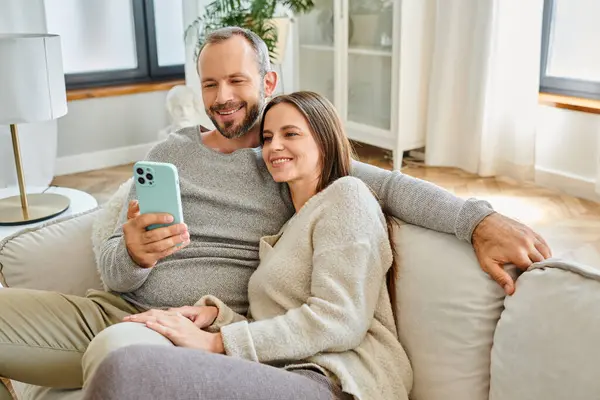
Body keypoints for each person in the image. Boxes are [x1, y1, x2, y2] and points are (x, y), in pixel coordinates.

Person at [0, 26, 550, 397]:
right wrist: (134, 255)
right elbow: (115, 266)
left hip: (183, 335)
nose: (223, 97)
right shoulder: (169, 153)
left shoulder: (292, 159)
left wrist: (479, 220)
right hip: (117, 307)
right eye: (210, 84)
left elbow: (394, 190)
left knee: (120, 360)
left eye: (237, 80)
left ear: (267, 82)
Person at [83, 91, 411, 400]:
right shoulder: (287, 228)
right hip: (280, 372)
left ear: (324, 142)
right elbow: (278, 329)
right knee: (125, 369)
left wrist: (216, 342)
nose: (274, 146)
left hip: (334, 381)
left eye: (291, 134)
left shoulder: (347, 196)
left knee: (124, 369)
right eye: (267, 138)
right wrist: (217, 315)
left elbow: (339, 321)